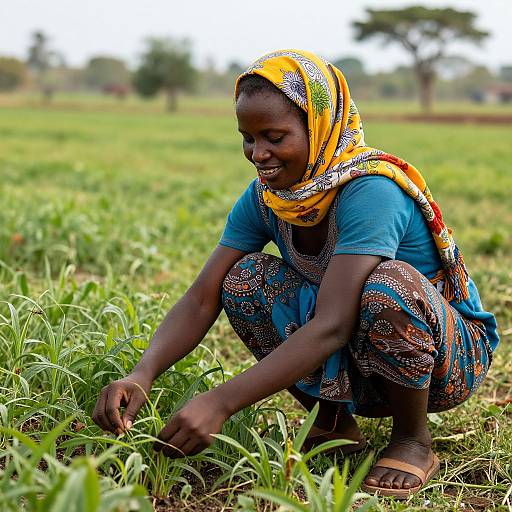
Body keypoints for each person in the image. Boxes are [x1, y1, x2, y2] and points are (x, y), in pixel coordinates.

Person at [92, 49, 499, 498]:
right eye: (247, 137)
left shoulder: (371, 191)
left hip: (445, 361)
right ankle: (331, 426)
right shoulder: (270, 196)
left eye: (275, 136)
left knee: (390, 286)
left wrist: (220, 402)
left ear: (320, 128)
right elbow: (200, 298)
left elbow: (332, 325)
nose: (258, 153)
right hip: (356, 354)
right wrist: (141, 373)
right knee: (244, 278)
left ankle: (412, 440)